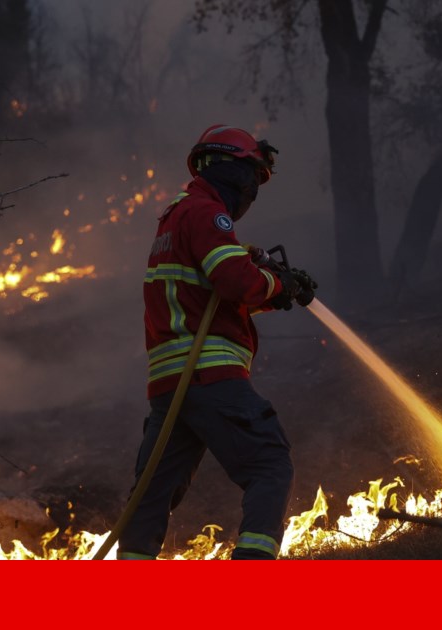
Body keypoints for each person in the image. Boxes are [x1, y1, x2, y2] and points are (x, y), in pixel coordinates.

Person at [117, 124, 316, 560]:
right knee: (269, 464)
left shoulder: (175, 217)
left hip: (172, 386)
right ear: (232, 170)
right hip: (210, 375)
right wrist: (276, 285)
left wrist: (267, 290)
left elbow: (210, 293)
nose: (252, 190)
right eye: (253, 177)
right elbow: (231, 280)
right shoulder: (206, 213)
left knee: (150, 497)